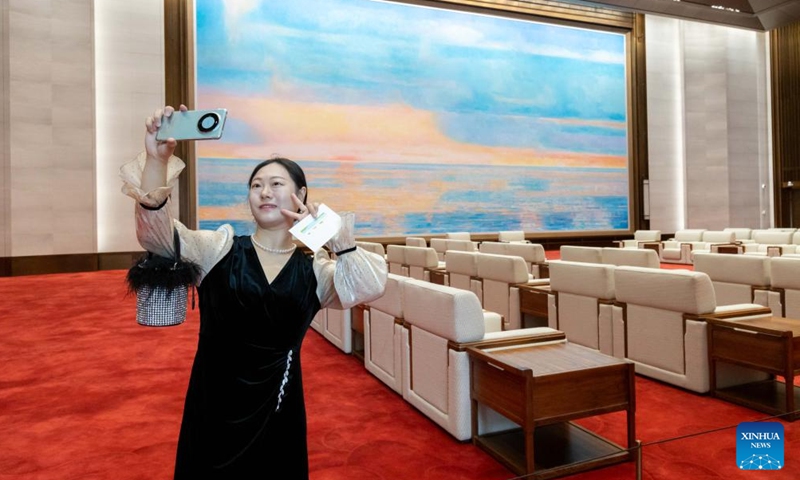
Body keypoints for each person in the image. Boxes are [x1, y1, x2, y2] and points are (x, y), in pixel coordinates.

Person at [119, 104, 388, 479]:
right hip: (213, 403)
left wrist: (331, 235)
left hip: (279, 405)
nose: (264, 192)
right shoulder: (219, 248)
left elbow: (369, 286)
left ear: (301, 194)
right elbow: (158, 237)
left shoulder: (316, 270)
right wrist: (155, 159)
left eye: (276, 184)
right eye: (256, 185)